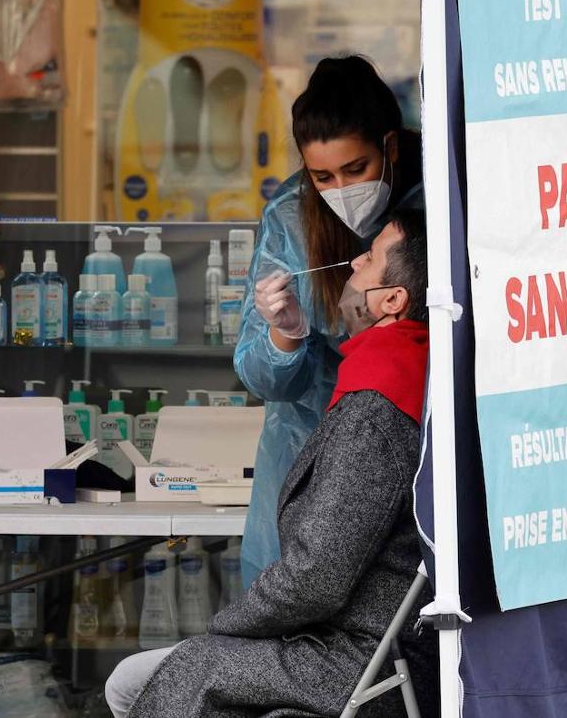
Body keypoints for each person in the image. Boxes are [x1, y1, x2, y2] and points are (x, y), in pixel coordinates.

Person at [108, 209, 435, 718]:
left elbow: (316, 576)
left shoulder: (379, 399)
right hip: (356, 647)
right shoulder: (398, 371)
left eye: (368, 259)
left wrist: (223, 628)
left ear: (392, 300)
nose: (353, 261)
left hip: (355, 661)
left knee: (143, 680)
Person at [235, 55, 423, 585]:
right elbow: (262, 375)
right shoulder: (290, 220)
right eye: (321, 176)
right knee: (290, 606)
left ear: (389, 145)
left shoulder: (443, 197)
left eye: (355, 169)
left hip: (412, 454)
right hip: (309, 457)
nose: (339, 189)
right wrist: (283, 334)